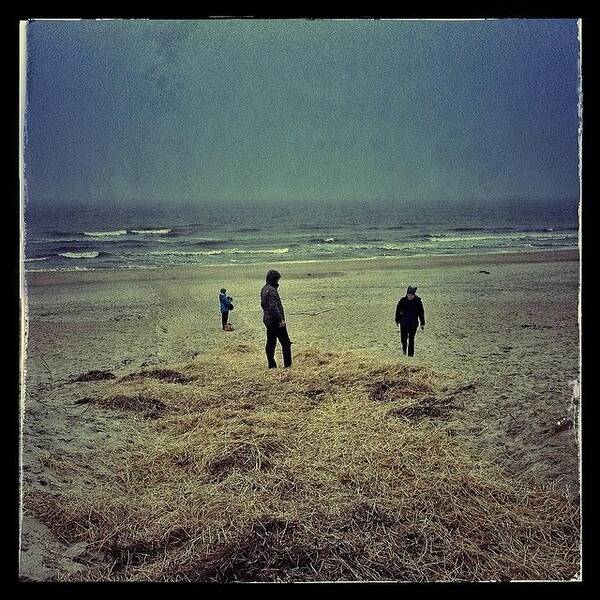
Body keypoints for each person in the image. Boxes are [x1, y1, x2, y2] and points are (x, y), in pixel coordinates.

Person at [260, 269, 292, 368]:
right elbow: (274, 307)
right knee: (286, 343)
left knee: (271, 342)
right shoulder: (272, 291)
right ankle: (287, 365)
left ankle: (271, 364)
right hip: (275, 321)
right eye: (277, 280)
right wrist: (280, 320)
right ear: (274, 280)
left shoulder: (264, 288)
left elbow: (263, 304)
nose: (278, 282)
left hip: (268, 320)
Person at [395, 286, 425, 357]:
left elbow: (421, 313)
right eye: (409, 295)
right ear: (407, 294)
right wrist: (397, 320)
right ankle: (404, 348)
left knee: (411, 339)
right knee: (403, 338)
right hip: (404, 323)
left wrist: (422, 323)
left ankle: (410, 354)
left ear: (414, 295)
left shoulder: (418, 301)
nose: (410, 296)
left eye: (411, 295)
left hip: (413, 323)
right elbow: (398, 311)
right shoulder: (402, 301)